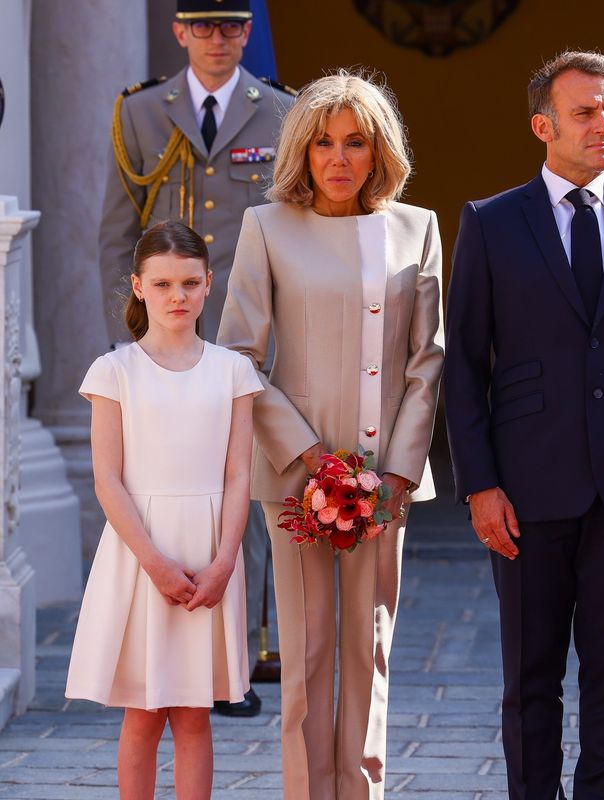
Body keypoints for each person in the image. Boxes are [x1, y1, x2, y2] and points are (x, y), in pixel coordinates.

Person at [444, 51, 604, 798]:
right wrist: (480, 485)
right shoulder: (490, 223)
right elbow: (464, 365)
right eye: (586, 112)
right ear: (542, 125)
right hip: (526, 489)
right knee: (531, 679)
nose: (603, 125)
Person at [217, 71, 444, 799]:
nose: (338, 158)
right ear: (302, 152)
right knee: (309, 654)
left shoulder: (418, 227)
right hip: (297, 476)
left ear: (379, 152)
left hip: (385, 479)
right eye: (322, 143)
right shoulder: (267, 228)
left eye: (354, 142)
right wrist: (314, 458)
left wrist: (398, 473)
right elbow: (240, 359)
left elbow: (427, 361)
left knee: (369, 651)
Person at [97, 0, 295, 717]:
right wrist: (126, 341)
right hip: (160, 341)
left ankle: (232, 665)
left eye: (232, 26)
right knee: (163, 492)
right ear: (179, 31)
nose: (218, 40)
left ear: (248, 31)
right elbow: (118, 235)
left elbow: (292, 235)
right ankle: (163, 654)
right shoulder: (142, 115)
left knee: (237, 489)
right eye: (203, 26)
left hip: (245, 336)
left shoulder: (279, 112)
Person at [66, 221, 262, 798]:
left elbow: (237, 474)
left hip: (210, 553)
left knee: (195, 712)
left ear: (207, 286)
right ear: (138, 286)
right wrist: (153, 562)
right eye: (163, 283)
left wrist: (225, 561)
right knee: (143, 713)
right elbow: (108, 479)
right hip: (138, 555)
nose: (177, 296)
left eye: (190, 283)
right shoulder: (114, 371)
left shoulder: (233, 371)